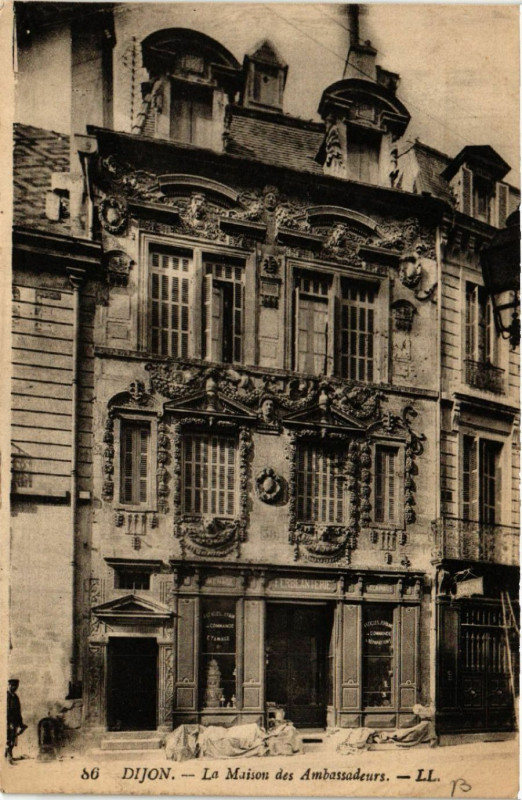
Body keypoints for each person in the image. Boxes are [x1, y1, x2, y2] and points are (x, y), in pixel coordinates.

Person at [5, 678, 26, 763]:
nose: (14, 687)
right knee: (8, 739)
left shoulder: (16, 697)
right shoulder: (7, 696)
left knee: (13, 739)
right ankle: (7, 757)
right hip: (8, 722)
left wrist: (21, 724)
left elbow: (18, 711)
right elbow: (6, 711)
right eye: (13, 686)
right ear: (9, 685)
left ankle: (9, 756)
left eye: (16, 686)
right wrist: (8, 723)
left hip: (14, 722)